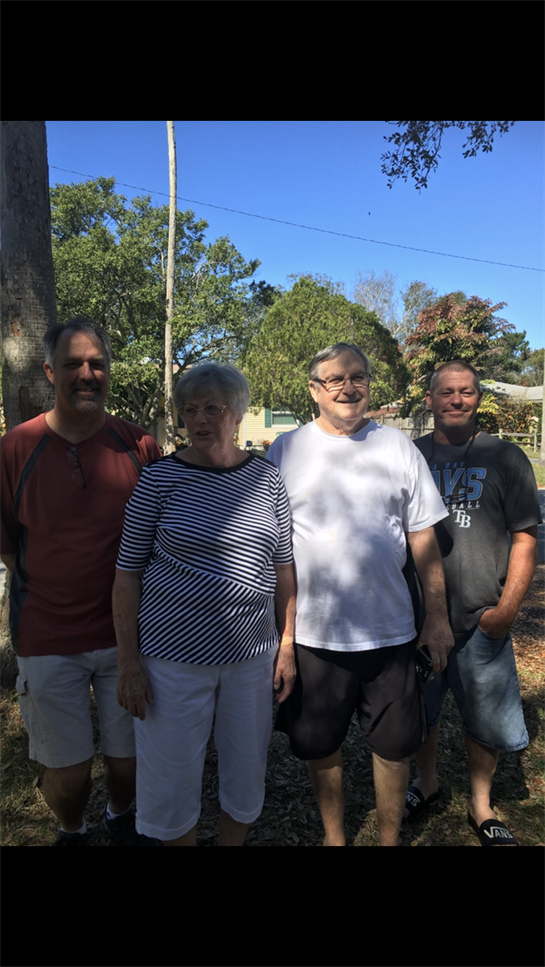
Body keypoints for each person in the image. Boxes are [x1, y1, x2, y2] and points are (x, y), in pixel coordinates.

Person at [267, 343, 453, 846]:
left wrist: (435, 619)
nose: (348, 388)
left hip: (390, 629)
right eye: (334, 379)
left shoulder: (396, 446)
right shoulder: (284, 449)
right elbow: (268, 546)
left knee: (394, 747)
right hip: (313, 632)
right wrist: (279, 638)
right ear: (313, 390)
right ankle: (335, 836)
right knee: (318, 743)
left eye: (358, 377)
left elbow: (423, 539)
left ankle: (389, 837)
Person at [113, 363, 296, 847]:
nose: (199, 419)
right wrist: (128, 662)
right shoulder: (157, 480)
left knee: (246, 769)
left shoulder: (268, 480)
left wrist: (287, 645)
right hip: (168, 660)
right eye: (189, 409)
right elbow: (126, 576)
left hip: (251, 659)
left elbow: (283, 571)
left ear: (237, 413)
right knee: (170, 780)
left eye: (212, 407)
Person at [0, 318, 161, 846]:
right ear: (50, 371)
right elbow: (7, 545)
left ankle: (119, 818)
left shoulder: (139, 444)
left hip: (129, 639)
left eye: (96, 364)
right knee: (68, 775)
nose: (86, 374)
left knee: (128, 765)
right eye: (73, 364)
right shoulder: (15, 449)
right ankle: (74, 828)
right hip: (48, 636)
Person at [404, 360, 541, 846]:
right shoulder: (409, 454)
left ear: (478, 397)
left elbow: (525, 536)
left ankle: (480, 803)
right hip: (416, 619)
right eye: (446, 392)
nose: (456, 400)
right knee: (422, 709)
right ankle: (427, 782)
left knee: (484, 717)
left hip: (483, 617)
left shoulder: (506, 458)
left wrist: (504, 613)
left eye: (465, 392)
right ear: (430, 399)